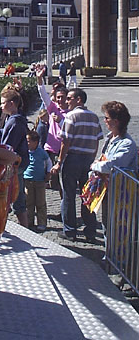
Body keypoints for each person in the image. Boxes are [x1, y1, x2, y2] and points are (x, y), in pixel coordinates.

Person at [51, 87, 103, 243]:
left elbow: (65, 141)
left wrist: (59, 161)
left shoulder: (71, 117)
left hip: (73, 158)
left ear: (78, 99)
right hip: (88, 159)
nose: (67, 101)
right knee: (87, 195)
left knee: (68, 196)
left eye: (69, 98)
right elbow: (97, 139)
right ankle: (90, 230)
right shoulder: (94, 117)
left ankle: (70, 230)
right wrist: (93, 158)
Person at [90, 101, 137, 249]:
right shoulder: (111, 138)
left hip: (122, 194)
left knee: (118, 226)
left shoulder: (127, 144)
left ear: (116, 121)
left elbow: (110, 165)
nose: (104, 121)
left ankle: (119, 258)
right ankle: (109, 254)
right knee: (107, 223)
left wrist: (94, 166)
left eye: (107, 118)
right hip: (108, 190)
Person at [0, 85, 29, 227]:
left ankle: (23, 228)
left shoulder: (14, 121)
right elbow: (4, 131)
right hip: (17, 163)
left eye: (3, 102)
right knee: (17, 198)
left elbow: (9, 145)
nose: (0, 105)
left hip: (15, 164)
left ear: (11, 104)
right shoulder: (14, 118)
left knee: (14, 199)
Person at [36, 66, 67, 196]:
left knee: (63, 182)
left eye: (63, 97)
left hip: (63, 150)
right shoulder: (53, 108)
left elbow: (69, 129)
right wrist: (39, 79)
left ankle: (64, 209)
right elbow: (43, 95)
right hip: (50, 148)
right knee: (50, 180)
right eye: (58, 97)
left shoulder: (71, 113)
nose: (60, 100)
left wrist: (60, 120)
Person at [24, 130, 52, 232]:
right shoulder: (25, 152)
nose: (27, 143)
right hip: (28, 180)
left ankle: (42, 223)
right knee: (28, 202)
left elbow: (49, 163)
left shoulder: (41, 152)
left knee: (40, 203)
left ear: (35, 142)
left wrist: (48, 174)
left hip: (40, 181)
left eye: (29, 141)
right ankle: (29, 222)